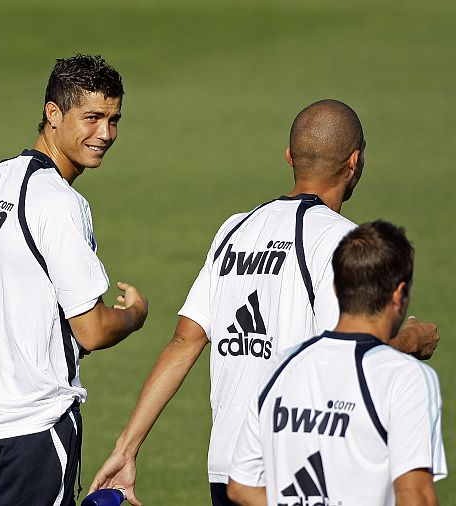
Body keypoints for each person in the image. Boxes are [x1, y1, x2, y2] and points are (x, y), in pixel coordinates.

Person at [89, 99, 440, 506]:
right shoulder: (345, 244)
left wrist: (127, 448)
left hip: (229, 469)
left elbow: (185, 341)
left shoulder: (234, 229)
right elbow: (353, 359)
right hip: (301, 473)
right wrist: (413, 339)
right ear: (355, 162)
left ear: (290, 156)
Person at [0, 54, 148, 506]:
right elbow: (90, 328)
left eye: (114, 120)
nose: (106, 134)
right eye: (92, 118)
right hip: (35, 422)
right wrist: (132, 316)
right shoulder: (59, 202)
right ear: (53, 113)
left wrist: (21, 307)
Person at [228, 220, 447, 505]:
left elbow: (240, 487)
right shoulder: (407, 377)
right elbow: (416, 496)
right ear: (398, 294)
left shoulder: (282, 365)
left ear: (335, 287)